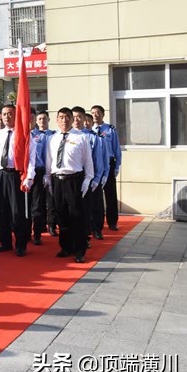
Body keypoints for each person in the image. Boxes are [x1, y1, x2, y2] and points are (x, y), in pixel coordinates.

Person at [44, 108, 94, 263]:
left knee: (76, 216)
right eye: (61, 117)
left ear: (72, 119)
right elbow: (49, 161)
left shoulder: (81, 137)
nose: (64, 120)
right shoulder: (52, 138)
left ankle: (79, 250)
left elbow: (88, 162)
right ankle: (65, 247)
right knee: (62, 216)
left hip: (74, 180)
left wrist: (87, 180)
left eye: (67, 117)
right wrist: (47, 178)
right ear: (57, 120)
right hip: (57, 180)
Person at [0, 105, 36, 257]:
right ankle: (5, 242)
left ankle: (21, 244)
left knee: (17, 212)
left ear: (15, 115)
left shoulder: (23, 134)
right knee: (2, 211)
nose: (6, 117)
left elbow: (31, 159)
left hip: (16, 175)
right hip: (1, 174)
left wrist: (29, 177)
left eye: (10, 114)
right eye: (4, 114)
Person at [76, 110, 108, 240]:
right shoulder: (73, 136)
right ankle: (84, 231)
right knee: (80, 208)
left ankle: (97, 229)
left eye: (81, 118)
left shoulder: (95, 137)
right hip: (77, 176)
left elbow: (99, 159)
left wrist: (98, 178)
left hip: (92, 176)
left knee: (95, 206)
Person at [91, 105, 121, 231]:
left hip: (109, 163)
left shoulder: (110, 129)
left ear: (103, 114)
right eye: (93, 113)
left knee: (110, 195)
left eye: (98, 113)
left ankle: (112, 222)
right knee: (95, 197)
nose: (95, 115)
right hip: (95, 165)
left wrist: (117, 165)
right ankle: (96, 223)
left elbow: (116, 148)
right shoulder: (89, 130)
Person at [29, 111, 53, 245]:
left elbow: (46, 156)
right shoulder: (19, 135)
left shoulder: (41, 137)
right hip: (22, 174)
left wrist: (45, 174)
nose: (30, 120)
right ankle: (25, 232)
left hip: (38, 172)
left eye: (32, 118)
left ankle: (37, 234)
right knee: (23, 206)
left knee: (37, 205)